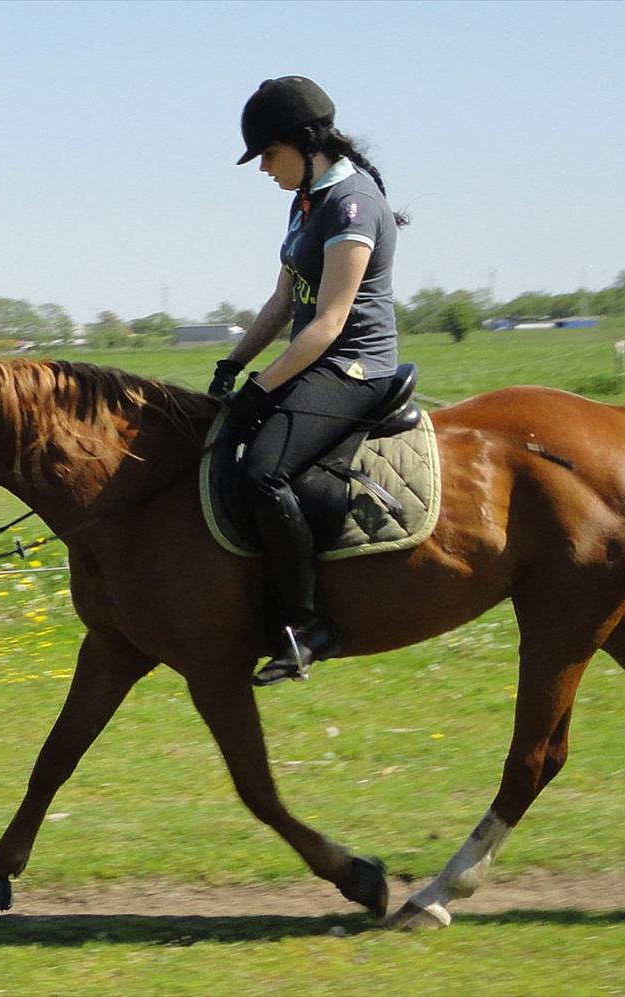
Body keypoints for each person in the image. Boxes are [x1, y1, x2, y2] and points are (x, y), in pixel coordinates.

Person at [208, 75, 408, 687]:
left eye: (268, 154)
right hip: (313, 361)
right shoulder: (306, 204)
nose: (264, 168)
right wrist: (234, 363)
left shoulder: (352, 205)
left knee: (264, 470)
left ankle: (308, 625)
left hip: (354, 367)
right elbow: (280, 304)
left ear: (302, 141)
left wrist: (261, 390)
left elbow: (328, 322)